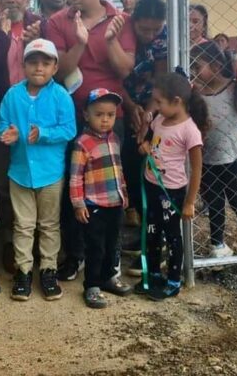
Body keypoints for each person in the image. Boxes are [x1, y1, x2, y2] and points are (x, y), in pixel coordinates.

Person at [46, 0, 136, 282]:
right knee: (75, 188)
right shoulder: (58, 22)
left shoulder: (121, 20)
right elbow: (59, 70)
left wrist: (110, 40)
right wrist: (80, 42)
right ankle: (75, 255)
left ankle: (109, 259)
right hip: (70, 118)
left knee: (109, 188)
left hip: (111, 118)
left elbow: (125, 69)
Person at [0, 0, 47, 274]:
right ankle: (10, 241)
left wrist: (38, 40)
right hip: (5, 113)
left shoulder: (40, 25)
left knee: (41, 177)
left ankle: (40, 242)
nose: (10, 0)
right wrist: (4, 37)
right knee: (6, 182)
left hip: (39, 112)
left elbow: (54, 62)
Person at [0, 39, 76, 301]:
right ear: (24, 65)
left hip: (50, 173)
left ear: (55, 67)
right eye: (33, 62)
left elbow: (69, 130)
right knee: (23, 225)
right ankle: (23, 271)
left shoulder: (61, 96)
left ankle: (48, 269)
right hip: (19, 173)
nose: (39, 68)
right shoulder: (12, 95)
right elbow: (3, 124)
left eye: (45, 63)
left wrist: (43, 134)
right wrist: (5, 134)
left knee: (49, 224)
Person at [190, 41, 237, 274]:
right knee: (214, 204)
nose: (193, 71)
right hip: (206, 159)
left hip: (232, 158)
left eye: (197, 65)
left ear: (215, 65)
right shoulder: (195, 92)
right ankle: (218, 245)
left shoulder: (233, 89)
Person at [137, 73, 207, 301]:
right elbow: (147, 142)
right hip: (151, 185)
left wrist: (189, 202)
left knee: (172, 235)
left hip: (172, 191)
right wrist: (144, 146)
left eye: (159, 102)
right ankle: (154, 274)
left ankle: (174, 280)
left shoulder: (189, 130)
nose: (156, 106)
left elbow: (197, 169)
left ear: (177, 101)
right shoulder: (159, 120)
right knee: (152, 231)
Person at [70, 88, 130, 308]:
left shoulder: (114, 139)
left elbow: (118, 168)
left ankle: (108, 278)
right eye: (99, 114)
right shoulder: (82, 143)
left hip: (115, 202)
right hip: (94, 204)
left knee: (113, 243)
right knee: (95, 246)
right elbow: (76, 177)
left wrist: (123, 192)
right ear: (86, 114)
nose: (105, 120)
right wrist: (78, 204)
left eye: (110, 115)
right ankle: (92, 285)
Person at [121, 0, 168, 274]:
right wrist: (130, 107)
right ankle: (144, 238)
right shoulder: (121, 33)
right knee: (130, 172)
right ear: (134, 21)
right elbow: (111, 75)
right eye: (145, 29)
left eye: (156, 29)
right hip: (121, 106)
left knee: (152, 177)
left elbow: (160, 83)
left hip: (153, 111)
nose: (151, 35)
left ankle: (156, 244)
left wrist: (147, 116)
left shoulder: (163, 41)